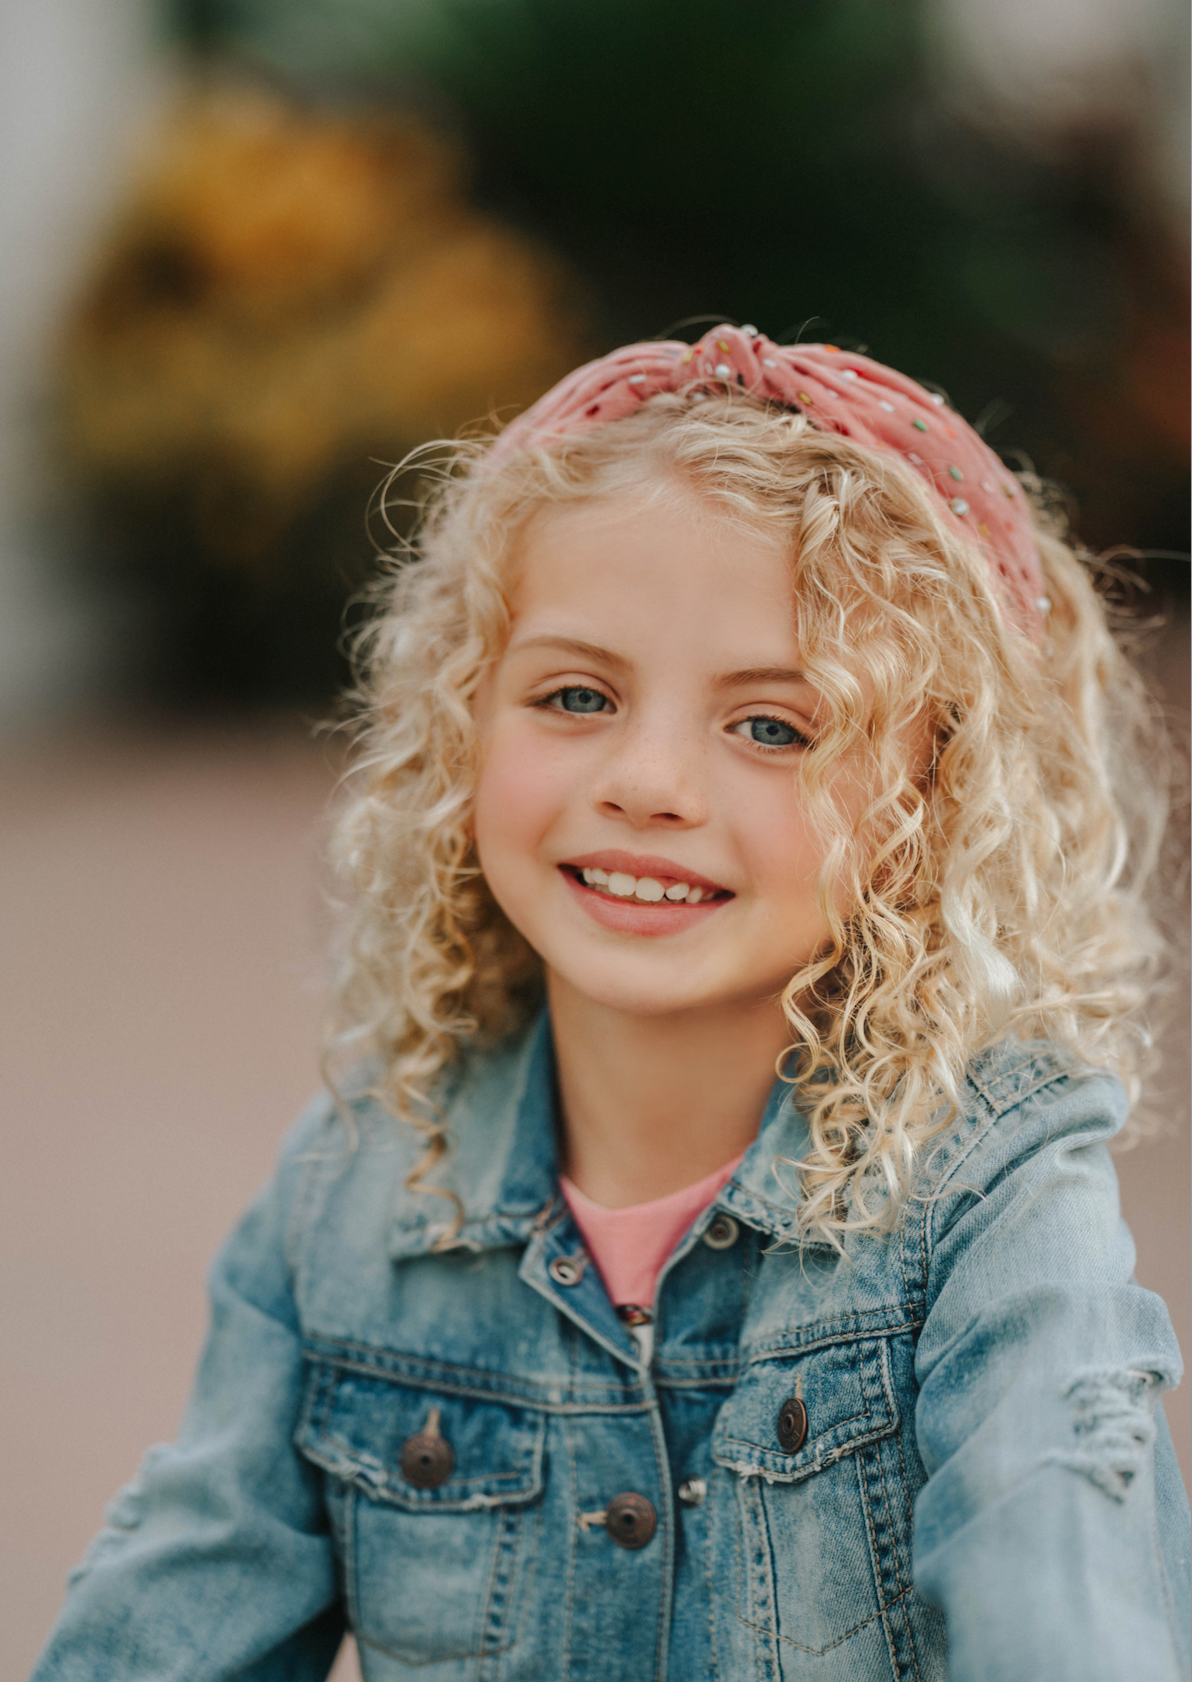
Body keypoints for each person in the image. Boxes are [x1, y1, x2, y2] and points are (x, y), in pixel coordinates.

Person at [32, 324, 1190, 1680]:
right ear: (463, 729)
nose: (647, 779)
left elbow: (1055, 1585)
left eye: (774, 725)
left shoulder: (991, 1195)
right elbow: (167, 1619)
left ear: (939, 801)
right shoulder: (350, 1196)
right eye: (576, 694)